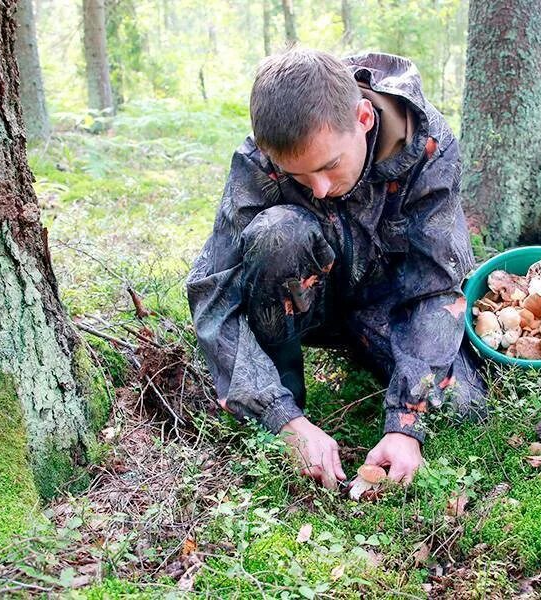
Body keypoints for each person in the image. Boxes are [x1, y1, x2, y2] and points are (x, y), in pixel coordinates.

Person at [186, 48, 486, 490]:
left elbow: (435, 288)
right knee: (277, 232)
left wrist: (406, 423)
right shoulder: (259, 161)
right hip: (303, 305)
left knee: (462, 403)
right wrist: (281, 417)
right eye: (301, 177)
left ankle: (377, 368)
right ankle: (290, 402)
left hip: (388, 307)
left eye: (329, 166)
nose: (321, 189)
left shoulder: (427, 146)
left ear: (364, 118)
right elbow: (213, 292)